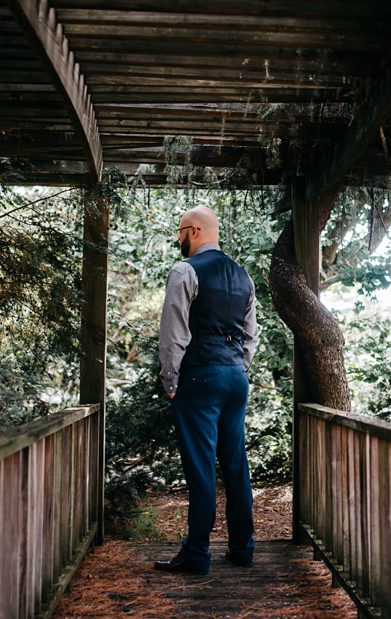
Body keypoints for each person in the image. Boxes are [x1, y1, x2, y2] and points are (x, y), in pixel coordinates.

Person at [154, 205, 259, 575]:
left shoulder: (185, 271)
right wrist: (237, 369)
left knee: (200, 469)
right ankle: (243, 549)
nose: (179, 238)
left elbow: (174, 333)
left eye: (181, 230)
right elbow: (250, 336)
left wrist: (171, 381)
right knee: (234, 465)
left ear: (194, 231)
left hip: (200, 378)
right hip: (234, 378)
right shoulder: (243, 275)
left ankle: (197, 554)